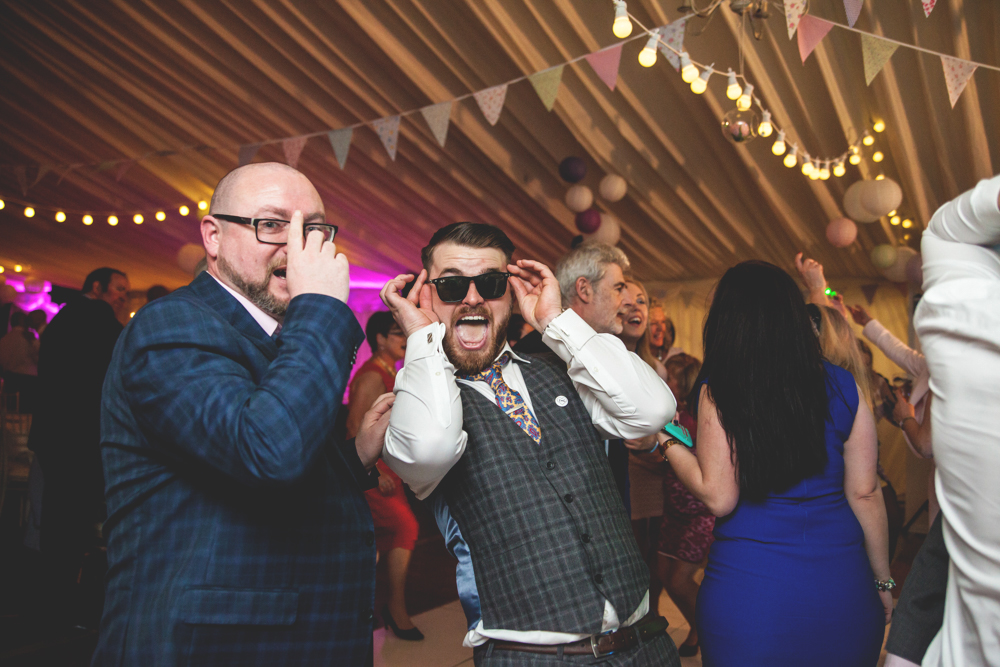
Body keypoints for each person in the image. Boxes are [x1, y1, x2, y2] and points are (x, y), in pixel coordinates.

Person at [93, 163, 392, 666]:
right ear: (213, 237)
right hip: (212, 647)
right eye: (272, 224)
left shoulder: (278, 338)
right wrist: (320, 306)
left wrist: (354, 456)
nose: (296, 247)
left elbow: (257, 468)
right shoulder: (172, 325)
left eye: (311, 229)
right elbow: (267, 451)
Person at [380, 222, 680, 666]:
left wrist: (557, 322)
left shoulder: (560, 369)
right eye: (452, 286)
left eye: (490, 283)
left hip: (645, 649)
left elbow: (652, 411)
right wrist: (421, 336)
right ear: (427, 295)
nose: (472, 298)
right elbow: (428, 450)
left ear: (511, 293)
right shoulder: (416, 404)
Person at [658, 260, 890, 666]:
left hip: (751, 596)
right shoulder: (844, 384)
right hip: (843, 588)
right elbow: (865, 493)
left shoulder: (720, 387)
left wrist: (664, 438)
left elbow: (718, 495)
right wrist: (883, 582)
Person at [912, 175, 1000, 667]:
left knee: (944, 552)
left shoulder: (968, 346)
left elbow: (925, 444)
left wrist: (903, 420)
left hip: (949, 487)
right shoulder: (942, 355)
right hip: (950, 491)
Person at [27, 267, 128, 628]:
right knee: (73, 523)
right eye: (119, 289)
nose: (123, 297)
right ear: (97, 287)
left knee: (57, 520)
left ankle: (48, 602)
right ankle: (64, 605)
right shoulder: (98, 317)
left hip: (53, 433)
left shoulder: (63, 318)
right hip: (80, 436)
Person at [346, 311, 423, 641]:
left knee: (388, 536)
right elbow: (354, 427)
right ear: (379, 339)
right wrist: (374, 471)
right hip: (374, 472)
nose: (403, 339)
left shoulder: (391, 372)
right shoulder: (371, 375)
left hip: (389, 469)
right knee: (405, 526)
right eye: (396, 333)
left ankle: (378, 608)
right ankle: (394, 608)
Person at [616, 279, 667, 620]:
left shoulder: (656, 369)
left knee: (649, 564)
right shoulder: (596, 362)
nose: (636, 307)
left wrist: (654, 446)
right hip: (614, 482)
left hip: (650, 480)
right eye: (626, 300)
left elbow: (669, 432)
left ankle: (650, 624)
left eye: (642, 301)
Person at [656, 352, 711, 658]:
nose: (665, 384)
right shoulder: (668, 416)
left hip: (699, 515)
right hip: (673, 513)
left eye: (671, 379)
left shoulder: (696, 419)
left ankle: (706, 628)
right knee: (664, 573)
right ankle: (697, 626)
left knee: (679, 580)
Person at [0, 310, 40, 411]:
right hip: (28, 380)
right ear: (23, 321)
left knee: (12, 412)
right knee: (27, 413)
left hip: (9, 379)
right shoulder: (29, 337)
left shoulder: (4, 339)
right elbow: (39, 354)